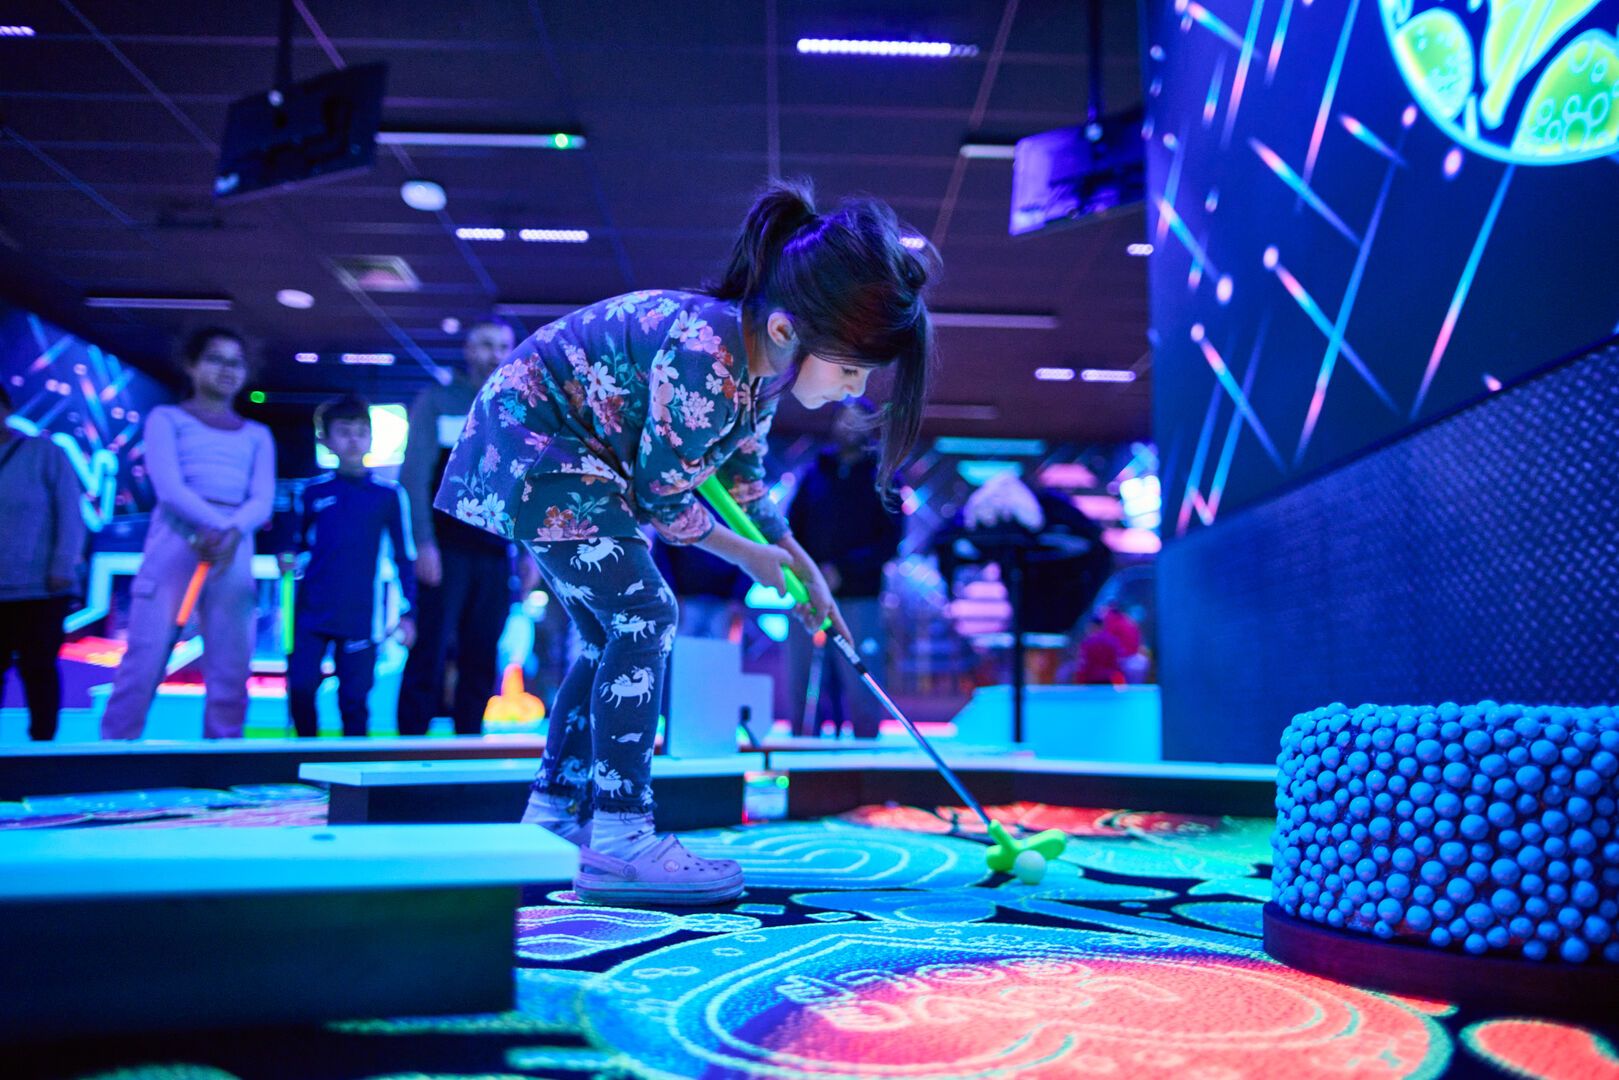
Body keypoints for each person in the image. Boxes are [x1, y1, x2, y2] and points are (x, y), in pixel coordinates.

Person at [436, 179, 937, 905]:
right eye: (851, 369)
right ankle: (620, 836)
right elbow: (662, 494)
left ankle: (552, 818)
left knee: (613, 633)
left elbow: (740, 484)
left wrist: (799, 567)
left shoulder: (758, 373)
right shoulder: (707, 350)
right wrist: (749, 557)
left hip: (565, 458)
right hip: (539, 448)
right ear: (787, 331)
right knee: (645, 615)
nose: (854, 392)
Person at [101, 327, 275, 740]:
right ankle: (112, 755)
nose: (227, 369)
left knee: (232, 664)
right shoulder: (167, 419)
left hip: (234, 546)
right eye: (216, 358)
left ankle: (221, 762)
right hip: (176, 539)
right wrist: (217, 527)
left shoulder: (257, 435)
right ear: (191, 365)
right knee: (145, 657)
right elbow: (170, 487)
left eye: (236, 361)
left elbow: (262, 500)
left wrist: (231, 531)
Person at [397, 318, 529, 736]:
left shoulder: (520, 408)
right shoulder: (437, 402)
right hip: (445, 550)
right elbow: (414, 477)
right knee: (430, 652)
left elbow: (527, 486)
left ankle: (469, 747)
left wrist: (530, 555)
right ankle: (408, 750)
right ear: (468, 351)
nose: (494, 354)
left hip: (495, 555)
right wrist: (423, 544)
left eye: (503, 345)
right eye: (485, 344)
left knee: (482, 654)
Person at [284, 395, 418, 737]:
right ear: (325, 439)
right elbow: (293, 546)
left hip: (363, 617)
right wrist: (285, 557)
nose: (354, 439)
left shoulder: (389, 496)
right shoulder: (310, 493)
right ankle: (303, 767)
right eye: (344, 431)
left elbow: (405, 557)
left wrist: (408, 613)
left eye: (361, 431)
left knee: (354, 702)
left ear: (372, 437)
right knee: (300, 688)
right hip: (311, 613)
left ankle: (354, 782)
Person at [785, 400, 903, 738]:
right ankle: (801, 752)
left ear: (870, 427)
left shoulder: (884, 478)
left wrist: (843, 570)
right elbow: (791, 529)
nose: (849, 426)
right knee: (802, 677)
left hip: (859, 596)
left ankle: (866, 761)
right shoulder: (814, 474)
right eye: (844, 419)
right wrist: (808, 572)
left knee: (859, 676)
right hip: (808, 591)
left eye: (857, 421)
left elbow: (890, 540)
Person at [0, 385, 86, 741]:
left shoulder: (44, 452)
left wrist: (62, 565)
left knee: (39, 669)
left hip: (41, 587)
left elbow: (70, 511)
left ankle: (42, 750)